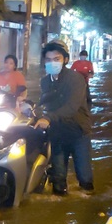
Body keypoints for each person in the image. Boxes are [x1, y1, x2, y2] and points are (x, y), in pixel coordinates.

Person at [34, 40, 94, 195]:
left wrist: (48, 118)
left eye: (56, 59)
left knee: (84, 176)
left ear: (65, 60)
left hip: (78, 131)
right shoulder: (45, 81)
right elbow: (44, 102)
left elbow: (72, 107)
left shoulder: (76, 79)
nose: (52, 63)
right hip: (58, 132)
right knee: (58, 178)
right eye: (48, 60)